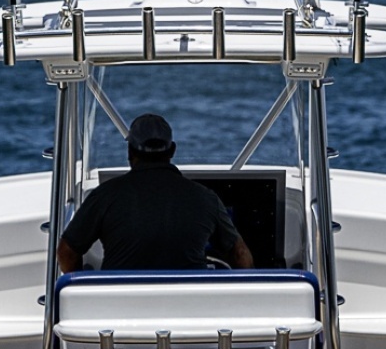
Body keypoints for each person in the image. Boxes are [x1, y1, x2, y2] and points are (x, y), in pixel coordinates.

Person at [56, 113, 253, 273]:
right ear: (172, 150)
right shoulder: (206, 198)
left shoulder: (105, 196)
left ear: (130, 152)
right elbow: (240, 255)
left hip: (120, 304)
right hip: (189, 304)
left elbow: (66, 253)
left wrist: (82, 290)